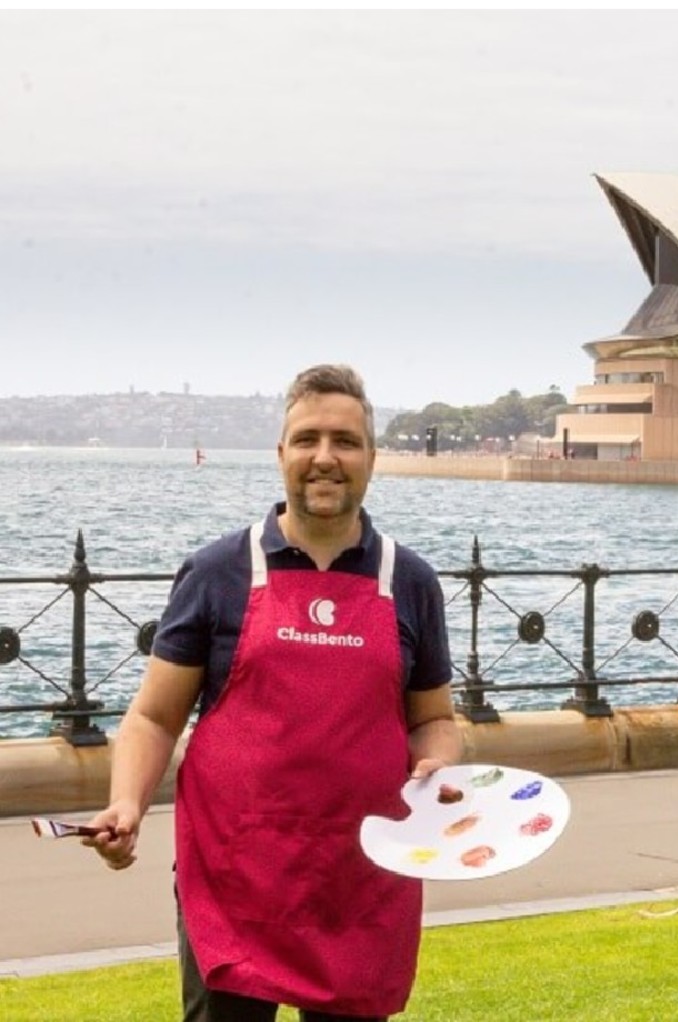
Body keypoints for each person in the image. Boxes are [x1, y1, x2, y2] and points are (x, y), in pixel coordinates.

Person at [85, 363, 462, 1021]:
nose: (325, 457)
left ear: (371, 457)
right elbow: (153, 715)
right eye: (307, 439)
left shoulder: (411, 581)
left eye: (345, 441)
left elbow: (433, 719)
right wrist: (127, 805)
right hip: (234, 876)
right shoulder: (216, 573)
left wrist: (438, 762)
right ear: (281, 454)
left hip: (364, 876)